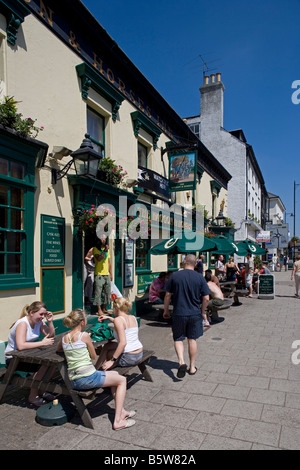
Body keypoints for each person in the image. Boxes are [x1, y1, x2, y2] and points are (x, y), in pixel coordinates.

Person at [57, 308, 136, 430]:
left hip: (74, 379)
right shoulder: (84, 336)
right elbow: (94, 356)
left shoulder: (64, 337)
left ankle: (122, 411)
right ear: (82, 322)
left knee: (114, 374)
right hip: (87, 378)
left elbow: (59, 349)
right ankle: (118, 421)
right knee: (122, 380)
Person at [163, 254, 210, 378]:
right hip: (194, 313)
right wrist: (202, 311)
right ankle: (192, 367)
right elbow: (206, 298)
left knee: (178, 338)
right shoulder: (200, 277)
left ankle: (181, 362)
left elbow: (167, 295)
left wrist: (166, 310)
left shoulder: (175, 276)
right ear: (195, 264)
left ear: (184, 262)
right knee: (192, 339)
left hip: (179, 312)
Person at [5, 301, 55, 407]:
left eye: (44, 314)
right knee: (44, 363)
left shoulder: (39, 322)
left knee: (52, 363)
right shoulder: (22, 323)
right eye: (41, 314)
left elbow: (50, 335)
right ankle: (33, 395)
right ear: (32, 312)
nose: (42, 317)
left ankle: (41, 389)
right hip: (13, 358)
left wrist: (50, 322)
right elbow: (21, 345)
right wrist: (42, 343)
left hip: (27, 355)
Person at [96, 297, 143, 369]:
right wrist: (108, 318)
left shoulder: (118, 320)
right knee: (107, 346)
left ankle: (106, 372)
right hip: (139, 354)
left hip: (129, 357)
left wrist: (112, 360)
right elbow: (122, 323)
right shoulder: (132, 317)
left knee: (109, 354)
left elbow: (123, 343)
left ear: (116, 309)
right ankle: (96, 368)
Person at [93, 235, 113, 316]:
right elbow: (99, 259)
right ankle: (99, 309)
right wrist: (105, 250)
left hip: (106, 274)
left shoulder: (107, 250)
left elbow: (108, 262)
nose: (104, 240)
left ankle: (104, 308)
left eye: (105, 238)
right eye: (102, 238)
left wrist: (110, 273)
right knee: (98, 292)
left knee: (107, 292)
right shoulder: (95, 249)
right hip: (99, 274)